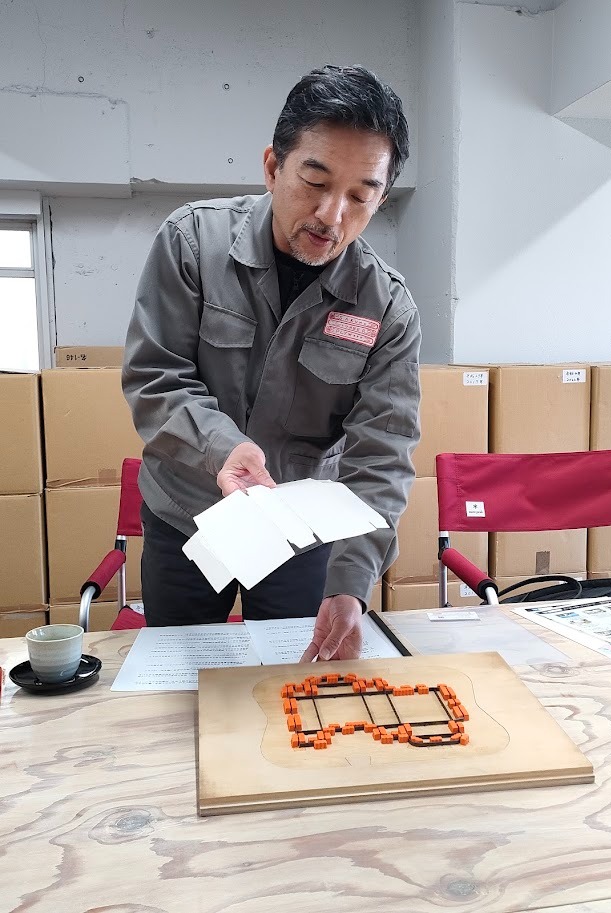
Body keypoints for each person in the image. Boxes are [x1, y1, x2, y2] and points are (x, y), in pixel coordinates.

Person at [122, 64, 421, 661]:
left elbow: (382, 454)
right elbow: (156, 378)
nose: (332, 215)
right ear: (272, 167)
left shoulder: (385, 305)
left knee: (290, 682)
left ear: (381, 198)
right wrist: (223, 449)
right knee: (184, 679)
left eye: (360, 196)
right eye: (315, 181)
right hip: (188, 517)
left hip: (299, 535)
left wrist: (350, 582)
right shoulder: (192, 243)